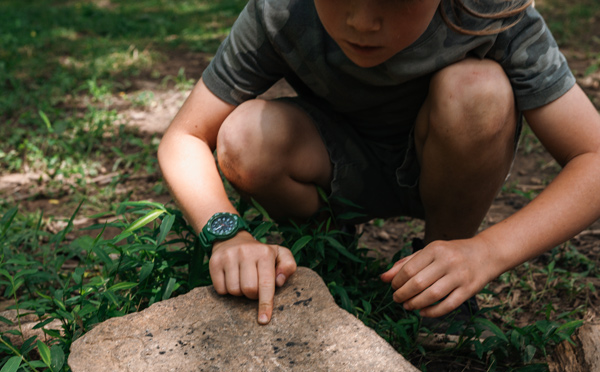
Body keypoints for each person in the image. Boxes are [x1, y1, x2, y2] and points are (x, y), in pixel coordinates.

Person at [157, 0, 600, 326]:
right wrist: (227, 235)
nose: (362, 22)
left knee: (478, 89)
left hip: (446, 163)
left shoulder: (490, 12)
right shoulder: (282, 9)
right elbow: (185, 136)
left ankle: (442, 268)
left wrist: (486, 252)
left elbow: (594, 156)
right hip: (333, 164)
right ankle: (327, 250)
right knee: (244, 136)